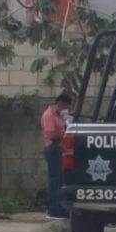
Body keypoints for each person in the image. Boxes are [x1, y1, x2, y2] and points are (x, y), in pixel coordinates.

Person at [40, 92, 73, 220]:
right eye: (69, 106)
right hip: (53, 149)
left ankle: (61, 208)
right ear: (61, 104)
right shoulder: (49, 115)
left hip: (61, 149)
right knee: (55, 181)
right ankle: (54, 210)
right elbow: (51, 134)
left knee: (61, 180)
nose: (69, 109)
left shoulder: (60, 116)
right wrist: (66, 133)